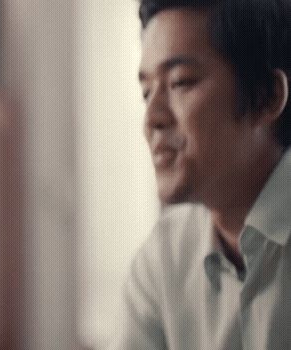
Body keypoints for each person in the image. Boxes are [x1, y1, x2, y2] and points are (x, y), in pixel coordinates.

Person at [111, 0, 290, 348]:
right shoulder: (164, 259)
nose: (151, 119)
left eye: (180, 82)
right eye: (147, 92)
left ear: (268, 97)